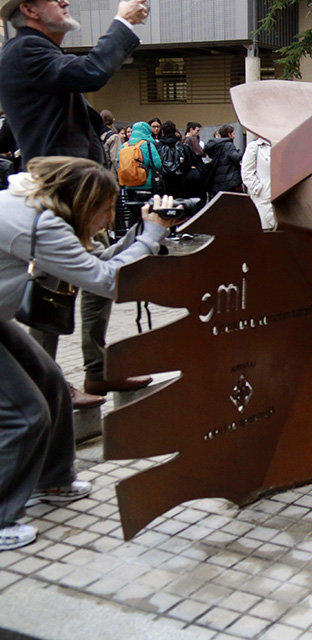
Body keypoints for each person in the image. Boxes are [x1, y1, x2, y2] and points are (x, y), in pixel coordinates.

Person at [0, 156, 177, 550]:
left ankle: (53, 480)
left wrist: (141, 234)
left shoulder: (32, 207)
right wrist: (150, 237)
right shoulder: (39, 224)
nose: (108, 217)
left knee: (50, 383)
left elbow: (89, 263)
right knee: (25, 413)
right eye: (106, 209)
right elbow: (106, 281)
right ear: (82, 201)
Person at [0, 0, 151, 409]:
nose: (66, 1)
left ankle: (97, 372)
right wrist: (122, 22)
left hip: (77, 193)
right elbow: (94, 72)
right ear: (29, 9)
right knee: (52, 288)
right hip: (56, 194)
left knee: (94, 282)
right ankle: (47, 384)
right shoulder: (25, 51)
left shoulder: (40, 53)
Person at [241, 136, 276, 230]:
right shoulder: (254, 147)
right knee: (266, 230)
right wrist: (258, 188)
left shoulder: (282, 144)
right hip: (264, 198)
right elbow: (247, 173)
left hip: (283, 200)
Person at [205, 125, 243, 195]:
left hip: (218, 181)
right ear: (229, 134)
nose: (234, 136)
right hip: (230, 181)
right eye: (233, 134)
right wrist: (240, 151)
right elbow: (236, 157)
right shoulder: (228, 144)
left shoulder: (217, 145)